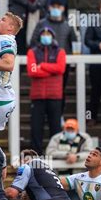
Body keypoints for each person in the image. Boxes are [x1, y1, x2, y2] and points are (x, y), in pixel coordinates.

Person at [6, 149, 74, 200]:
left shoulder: (26, 166)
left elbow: (12, 193)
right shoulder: (48, 170)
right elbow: (25, 197)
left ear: (24, 159)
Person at [27, 27, 66, 155]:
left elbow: (60, 68)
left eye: (48, 34)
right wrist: (51, 71)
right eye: (43, 33)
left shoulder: (60, 51)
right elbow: (32, 71)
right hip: (37, 96)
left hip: (54, 96)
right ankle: (36, 155)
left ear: (53, 36)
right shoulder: (32, 52)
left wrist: (42, 66)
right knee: (36, 129)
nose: (45, 36)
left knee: (55, 128)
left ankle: (55, 155)